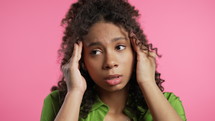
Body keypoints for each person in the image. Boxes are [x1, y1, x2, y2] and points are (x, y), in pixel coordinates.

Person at [40, 0, 186, 121]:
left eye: (120, 47)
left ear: (136, 51)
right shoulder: (58, 103)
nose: (110, 62)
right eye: (95, 52)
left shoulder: (168, 103)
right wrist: (75, 92)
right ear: (81, 60)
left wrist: (147, 82)